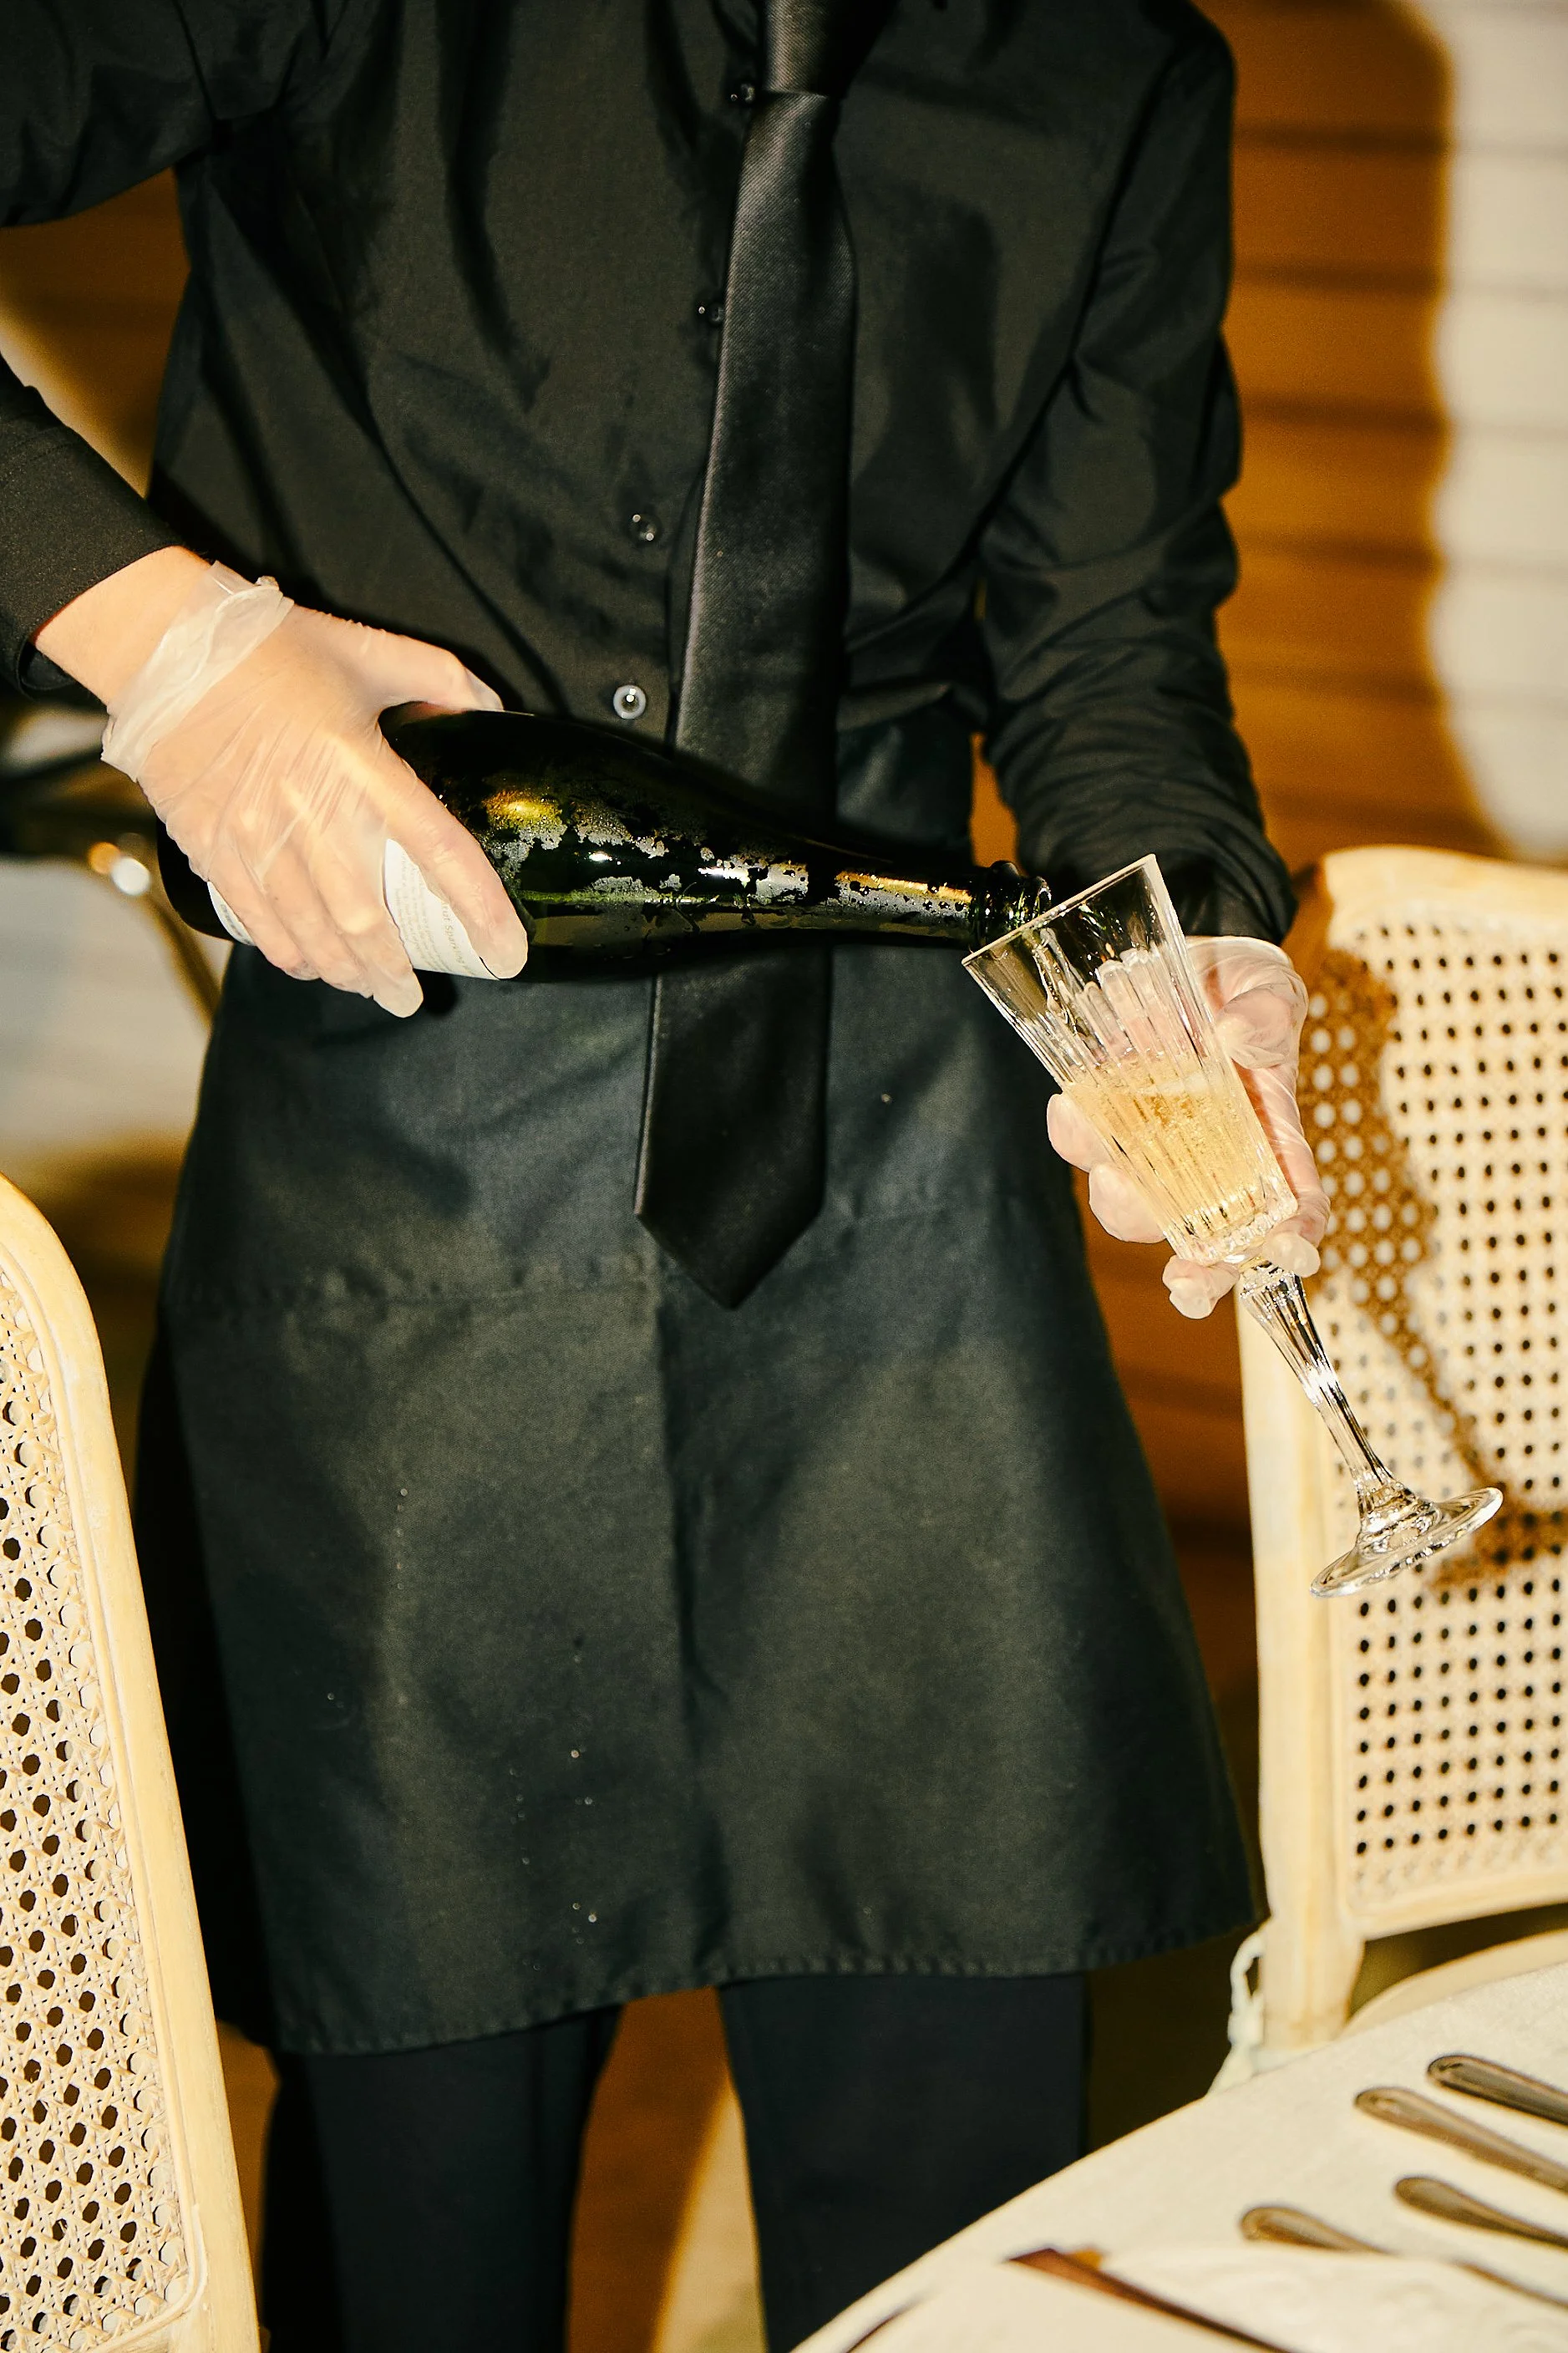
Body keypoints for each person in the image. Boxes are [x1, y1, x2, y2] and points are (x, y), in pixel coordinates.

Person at [0, 3, 1326, 2347]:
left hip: (903, 1176)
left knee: (968, 2110)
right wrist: (174, 645)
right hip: (411, 1135)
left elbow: (1107, 637)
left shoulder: (1120, 69)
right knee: (425, 2152)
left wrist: (1189, 935)